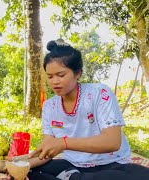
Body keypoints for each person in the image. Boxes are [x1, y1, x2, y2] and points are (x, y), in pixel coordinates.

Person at [26, 39, 149, 180]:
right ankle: (72, 176)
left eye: (61, 75)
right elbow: (47, 151)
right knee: (30, 172)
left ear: (78, 73)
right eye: (50, 76)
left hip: (110, 164)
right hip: (71, 164)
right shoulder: (49, 106)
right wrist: (16, 165)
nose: (54, 81)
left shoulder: (99, 93)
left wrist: (64, 143)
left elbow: (112, 142)